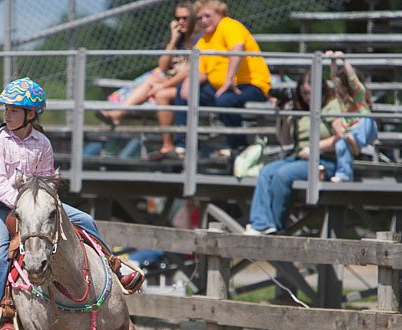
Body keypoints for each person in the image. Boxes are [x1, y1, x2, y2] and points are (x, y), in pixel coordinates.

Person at [0, 77, 145, 330]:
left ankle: (115, 267)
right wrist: (24, 205)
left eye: (13, 110)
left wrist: (42, 204)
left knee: (86, 220)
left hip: (41, 203)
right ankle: (3, 311)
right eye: (6, 110)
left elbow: (47, 179)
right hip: (4, 206)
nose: (7, 115)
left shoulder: (42, 143)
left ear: (30, 114)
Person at [245, 70, 343, 235]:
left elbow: (341, 138)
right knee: (266, 172)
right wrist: (283, 115)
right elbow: (285, 142)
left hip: (325, 162)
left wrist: (315, 147)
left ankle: (276, 226)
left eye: (311, 92)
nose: (307, 97)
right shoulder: (301, 109)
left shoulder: (331, 106)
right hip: (299, 159)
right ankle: (261, 223)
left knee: (282, 175)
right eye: (304, 93)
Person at [170, 0, 271, 157]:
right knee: (182, 93)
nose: (203, 21)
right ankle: (185, 146)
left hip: (251, 85)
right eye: (200, 17)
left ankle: (238, 146)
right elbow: (201, 71)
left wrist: (229, 79)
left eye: (207, 16)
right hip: (220, 88)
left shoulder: (228, 25)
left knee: (225, 100)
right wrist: (188, 83)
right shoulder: (204, 40)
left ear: (220, 14)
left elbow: (237, 48)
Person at [97, 1, 201, 139]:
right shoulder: (178, 40)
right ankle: (117, 114)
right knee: (152, 79)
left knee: (157, 88)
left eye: (185, 18)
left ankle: (118, 115)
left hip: (188, 85)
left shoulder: (199, 40)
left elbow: (189, 71)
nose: (180, 22)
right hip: (172, 81)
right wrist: (173, 40)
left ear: (193, 19)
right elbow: (163, 66)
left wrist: (162, 85)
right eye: (177, 18)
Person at [326, 50, 378, 182]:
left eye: (343, 86)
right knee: (340, 145)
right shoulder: (341, 97)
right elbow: (333, 78)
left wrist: (344, 60)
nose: (340, 88)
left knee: (366, 119)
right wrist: (332, 61)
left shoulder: (358, 94)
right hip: (350, 131)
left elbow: (352, 78)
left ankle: (356, 141)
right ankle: (344, 175)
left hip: (365, 129)